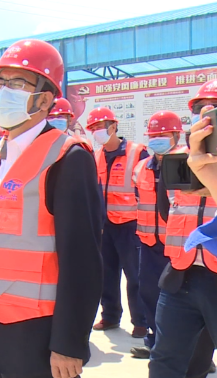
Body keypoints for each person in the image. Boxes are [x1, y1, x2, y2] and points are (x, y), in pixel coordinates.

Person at [0, 39, 103, 378]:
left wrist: (69, 343)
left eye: (16, 84)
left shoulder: (68, 158)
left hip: (36, 329)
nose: (2, 92)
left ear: (44, 99)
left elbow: (83, 260)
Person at [130, 111, 216, 377]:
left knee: (198, 360)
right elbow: (165, 210)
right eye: (201, 109)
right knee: (164, 360)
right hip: (181, 274)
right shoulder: (178, 162)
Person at [86, 107, 149, 338]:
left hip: (131, 225)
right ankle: (110, 316)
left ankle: (140, 321)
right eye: (93, 128)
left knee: (135, 276)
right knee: (107, 273)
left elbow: (147, 187)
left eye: (100, 127)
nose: (96, 132)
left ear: (113, 126)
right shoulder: (95, 156)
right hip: (105, 226)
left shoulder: (137, 152)